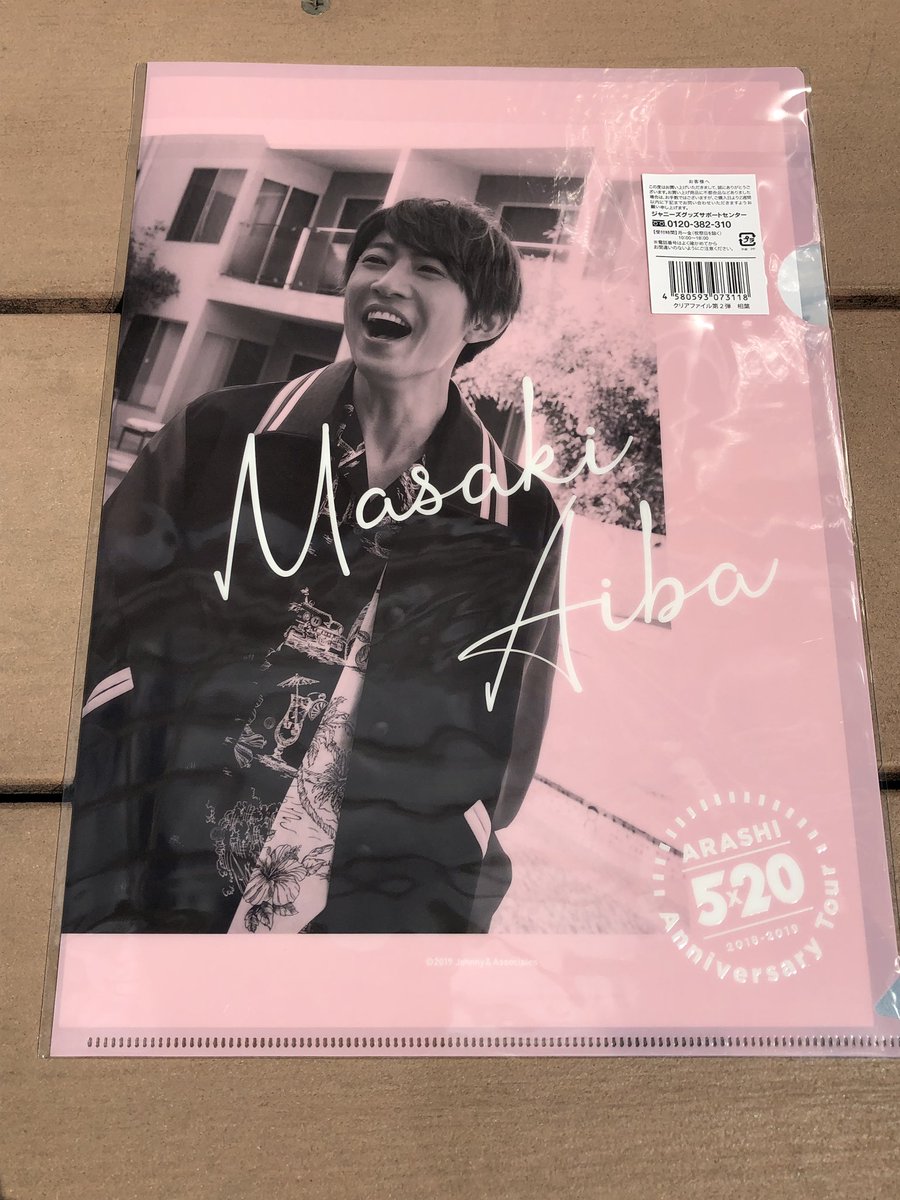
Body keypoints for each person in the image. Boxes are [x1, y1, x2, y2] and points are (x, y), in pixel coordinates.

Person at [62, 197, 561, 935]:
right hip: (147, 862)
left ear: (483, 321)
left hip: (355, 906)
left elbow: (506, 739)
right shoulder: (222, 433)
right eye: (374, 260)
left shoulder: (517, 513)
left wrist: (455, 897)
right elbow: (93, 628)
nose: (387, 281)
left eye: (428, 270)